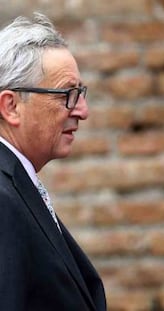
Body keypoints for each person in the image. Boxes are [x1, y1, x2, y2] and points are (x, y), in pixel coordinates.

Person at [0, 13, 106, 310]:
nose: (82, 111)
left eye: (80, 94)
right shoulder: (3, 199)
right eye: (67, 95)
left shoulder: (17, 183)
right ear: (11, 106)